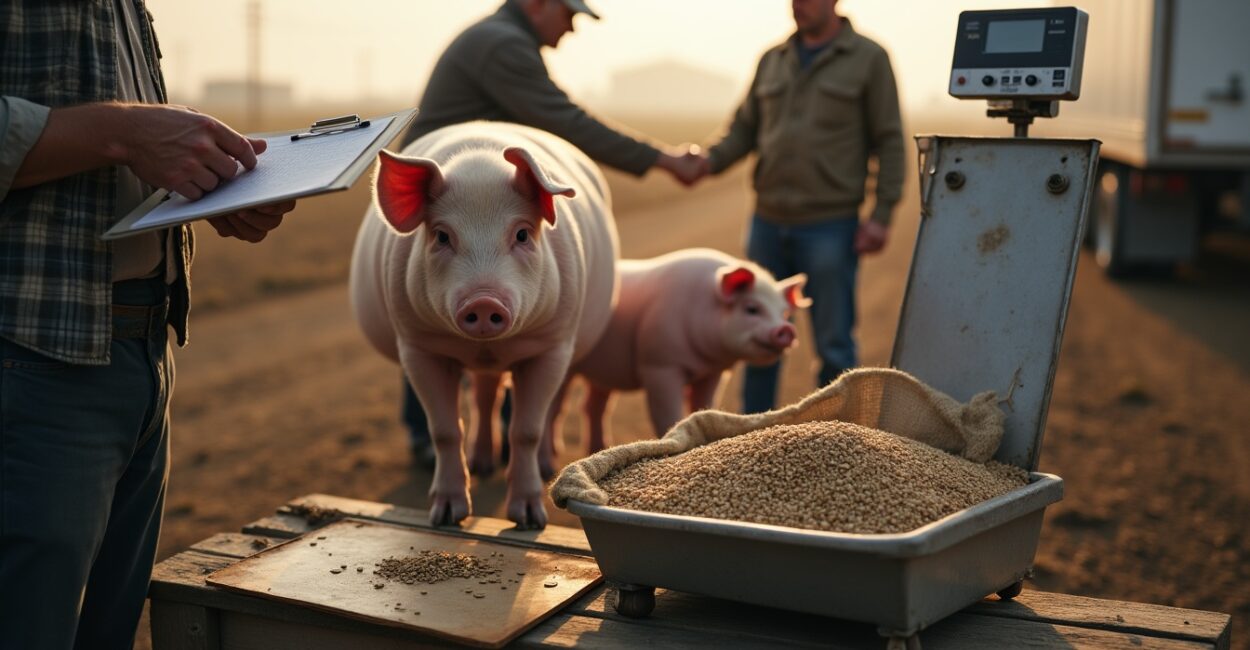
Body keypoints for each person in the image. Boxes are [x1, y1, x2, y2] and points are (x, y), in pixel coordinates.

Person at [0, 2, 297, 647]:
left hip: (142, 348)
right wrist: (122, 133)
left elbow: (110, 148)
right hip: (33, 352)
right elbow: (116, 132)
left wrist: (206, 180)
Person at [397, 0, 705, 468]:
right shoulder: (503, 46)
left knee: (484, 293)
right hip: (458, 193)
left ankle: (495, 431)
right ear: (537, 3)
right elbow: (566, 122)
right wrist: (662, 159)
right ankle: (431, 434)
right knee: (431, 305)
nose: (571, 29)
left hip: (478, 197)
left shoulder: (500, 39)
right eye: (569, 15)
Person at [699, 0, 904, 413]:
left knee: (834, 344)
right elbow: (743, 131)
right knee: (758, 339)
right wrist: (704, 161)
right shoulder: (772, 60)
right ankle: (753, 436)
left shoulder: (869, 59)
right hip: (767, 223)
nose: (798, 6)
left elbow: (890, 140)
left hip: (830, 225)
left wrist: (881, 216)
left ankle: (831, 441)